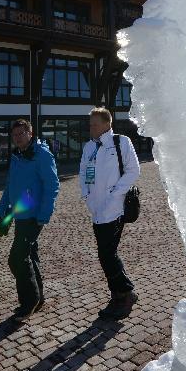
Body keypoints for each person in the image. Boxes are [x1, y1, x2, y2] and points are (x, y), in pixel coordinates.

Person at [78, 108, 141, 319]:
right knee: (107, 253)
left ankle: (123, 294)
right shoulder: (89, 147)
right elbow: (83, 171)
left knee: (106, 253)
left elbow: (134, 170)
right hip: (96, 207)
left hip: (115, 208)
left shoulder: (120, 142)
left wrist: (116, 194)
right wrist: (86, 195)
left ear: (106, 124)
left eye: (94, 124)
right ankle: (121, 293)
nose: (91, 128)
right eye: (90, 124)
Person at [0, 119, 59, 322]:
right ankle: (37, 298)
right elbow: (9, 186)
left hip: (34, 216)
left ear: (30, 134)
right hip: (20, 215)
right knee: (29, 256)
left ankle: (29, 301)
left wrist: (44, 215)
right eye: (14, 135)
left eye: (21, 134)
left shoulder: (41, 154)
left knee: (17, 259)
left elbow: (52, 185)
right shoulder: (17, 155)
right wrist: (1, 212)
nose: (17, 138)